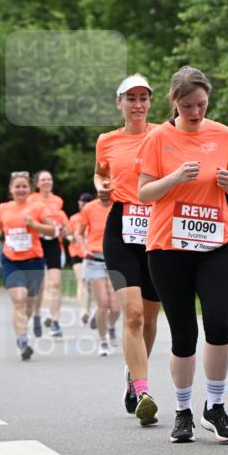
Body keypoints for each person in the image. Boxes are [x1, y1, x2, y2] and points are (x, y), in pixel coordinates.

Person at [138, 65, 228, 444]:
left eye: (201, 104)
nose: (195, 113)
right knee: (184, 333)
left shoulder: (223, 134)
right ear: (174, 103)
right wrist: (175, 178)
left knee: (218, 323)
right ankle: (182, 412)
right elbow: (144, 193)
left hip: (216, 243)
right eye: (187, 106)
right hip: (169, 247)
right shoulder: (158, 138)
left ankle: (214, 407)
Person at [95, 74, 160, 427]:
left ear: (150, 103)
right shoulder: (106, 140)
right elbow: (99, 174)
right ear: (119, 103)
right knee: (133, 314)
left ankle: (134, 374)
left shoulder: (164, 134)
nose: (137, 104)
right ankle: (144, 390)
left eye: (143, 98)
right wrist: (102, 188)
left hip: (159, 229)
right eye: (130, 98)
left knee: (150, 318)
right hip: (121, 228)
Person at [0, 171, 58, 360]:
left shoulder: (38, 207)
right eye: (17, 186)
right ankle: (22, 339)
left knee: (28, 305)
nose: (20, 189)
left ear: (30, 188)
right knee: (19, 299)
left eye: (24, 186)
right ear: (11, 189)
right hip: (11, 261)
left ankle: (24, 328)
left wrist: (34, 225)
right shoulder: (3, 208)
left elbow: (53, 230)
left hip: (34, 261)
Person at [77, 188, 120, 356]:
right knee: (103, 304)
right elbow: (79, 234)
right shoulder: (89, 208)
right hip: (94, 260)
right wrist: (83, 248)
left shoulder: (119, 206)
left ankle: (110, 327)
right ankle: (103, 341)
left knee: (116, 308)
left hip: (115, 260)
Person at [29, 170, 69, 338]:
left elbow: (62, 224)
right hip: (36, 241)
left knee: (55, 284)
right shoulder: (31, 199)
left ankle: (55, 322)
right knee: (40, 285)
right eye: (43, 179)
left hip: (53, 244)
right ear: (37, 183)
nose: (47, 182)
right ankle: (37, 314)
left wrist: (63, 231)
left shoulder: (58, 201)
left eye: (49, 179)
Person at [67, 193, 92, 325]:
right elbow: (68, 234)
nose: (84, 204)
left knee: (90, 284)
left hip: (91, 253)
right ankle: (84, 311)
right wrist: (73, 239)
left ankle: (87, 306)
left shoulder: (94, 216)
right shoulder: (74, 218)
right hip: (77, 253)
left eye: (87, 202)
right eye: (82, 202)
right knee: (82, 281)